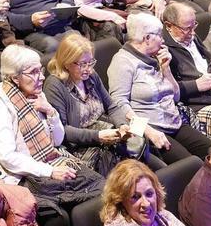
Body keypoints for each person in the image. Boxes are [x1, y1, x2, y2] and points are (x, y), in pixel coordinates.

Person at [0, 44, 104, 216]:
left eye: (40, 70)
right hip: (21, 177)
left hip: (49, 161)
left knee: (100, 184)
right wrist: (50, 171)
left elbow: (57, 141)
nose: (42, 77)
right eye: (34, 72)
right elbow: (8, 158)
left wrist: (51, 113)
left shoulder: (36, 95)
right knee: (99, 189)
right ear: (14, 77)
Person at [108, 13, 211, 163]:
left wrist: (166, 69)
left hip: (175, 122)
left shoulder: (156, 57)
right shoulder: (123, 62)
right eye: (159, 35)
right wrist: (148, 131)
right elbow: (118, 104)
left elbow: (175, 97)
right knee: (191, 165)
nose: (163, 40)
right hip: (152, 129)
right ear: (147, 38)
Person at [44, 33, 143, 174]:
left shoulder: (91, 76)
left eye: (90, 62)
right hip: (80, 145)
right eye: (82, 64)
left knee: (140, 143)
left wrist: (122, 125)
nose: (89, 69)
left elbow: (112, 106)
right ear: (66, 62)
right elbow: (63, 131)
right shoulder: (55, 85)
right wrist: (98, 136)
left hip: (105, 131)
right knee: (127, 168)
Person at [100, 160, 193, 226]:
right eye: (135, 197)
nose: (146, 204)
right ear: (120, 200)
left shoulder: (163, 215)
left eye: (149, 194)